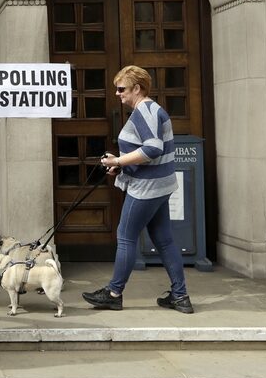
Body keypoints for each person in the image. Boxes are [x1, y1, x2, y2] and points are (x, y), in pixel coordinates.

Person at [81, 65, 194, 314]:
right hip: (161, 184)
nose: (118, 94)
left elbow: (153, 148)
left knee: (125, 236)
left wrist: (118, 162)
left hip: (147, 188)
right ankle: (180, 296)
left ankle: (113, 293)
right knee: (164, 240)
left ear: (137, 88)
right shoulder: (152, 110)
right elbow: (149, 151)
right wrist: (121, 166)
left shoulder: (145, 111)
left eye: (121, 89)